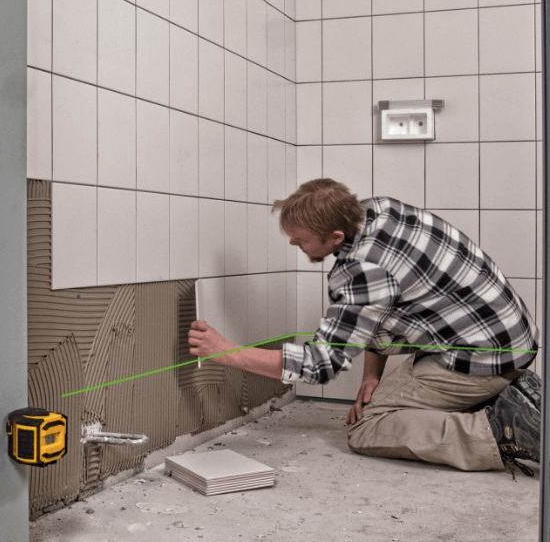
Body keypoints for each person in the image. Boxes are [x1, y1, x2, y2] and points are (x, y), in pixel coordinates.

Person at [188, 178, 542, 475]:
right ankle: (508, 397)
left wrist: (228, 353)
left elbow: (321, 365)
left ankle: (503, 428)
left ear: (336, 236)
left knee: (368, 428)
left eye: (301, 239)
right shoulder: (376, 210)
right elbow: (384, 312)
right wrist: (371, 376)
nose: (294, 244)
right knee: (393, 404)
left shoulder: (363, 271)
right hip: (507, 338)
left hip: (479, 360)